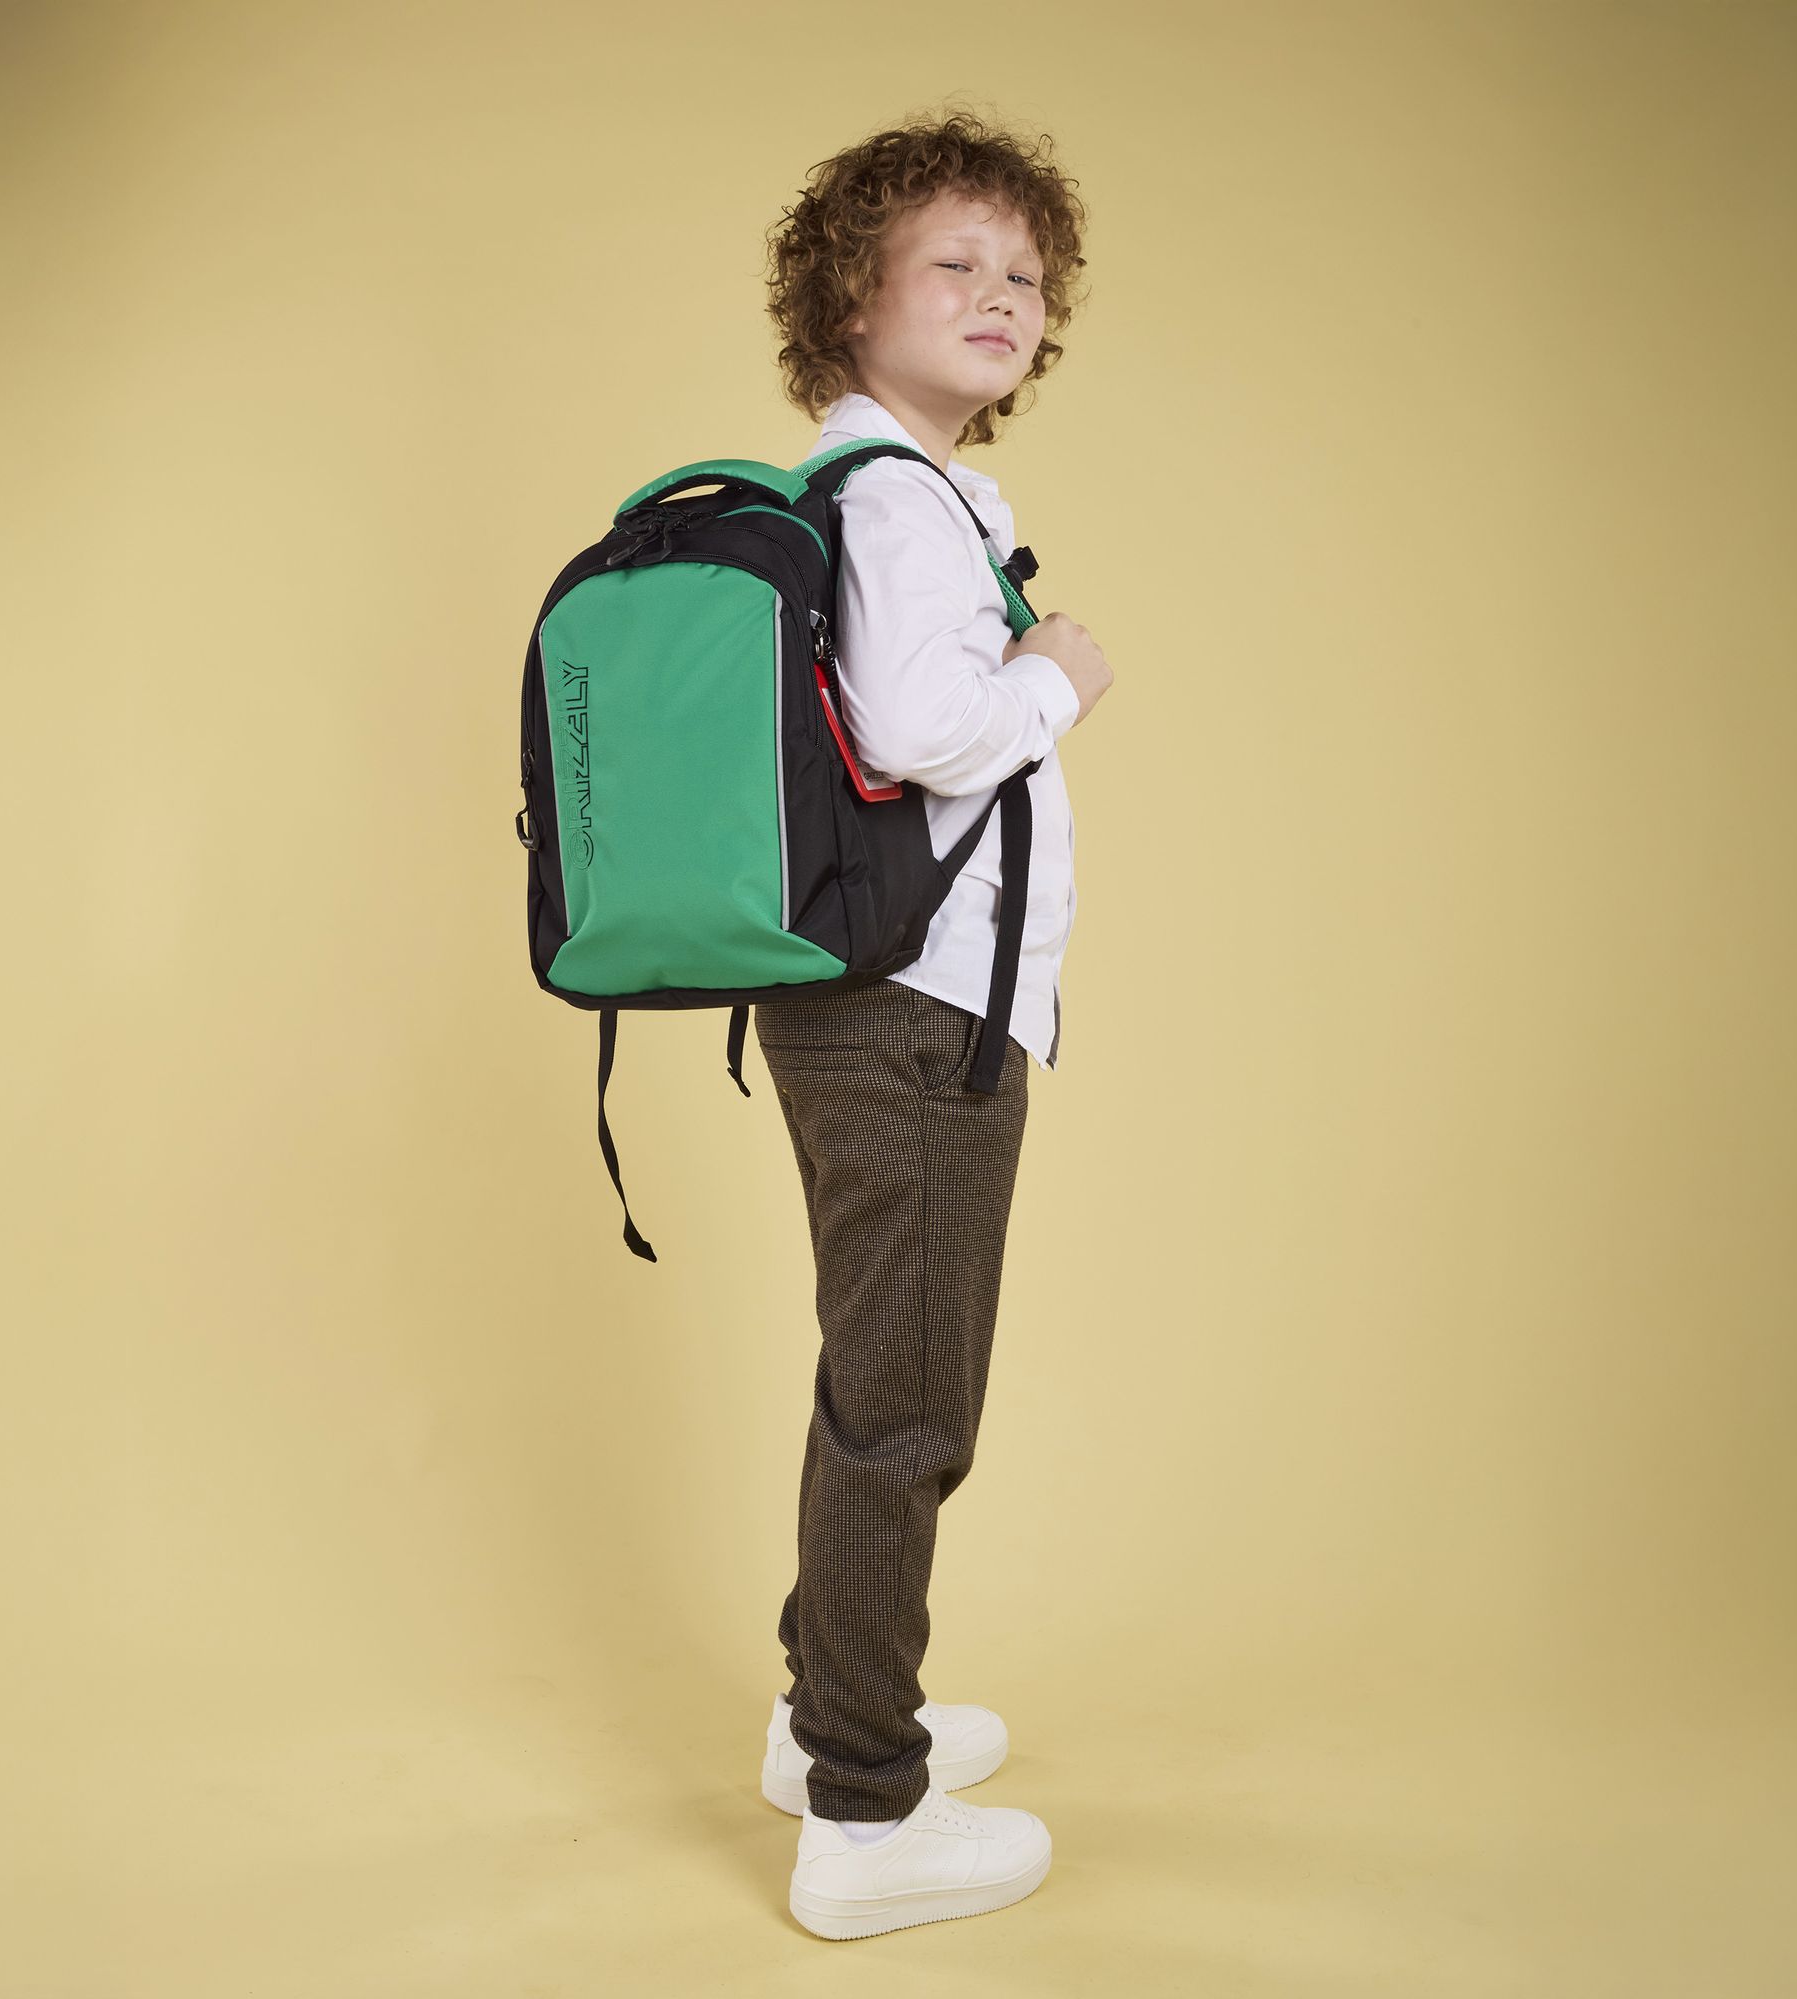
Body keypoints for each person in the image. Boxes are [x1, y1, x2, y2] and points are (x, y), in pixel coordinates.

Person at [754, 110, 1114, 1940]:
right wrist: (1053, 679)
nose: (1000, 295)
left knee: (873, 1380)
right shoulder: (895, 498)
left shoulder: (868, 489)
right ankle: (864, 1816)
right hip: (916, 1014)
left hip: (871, 1002)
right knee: (905, 1411)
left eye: (1023, 275)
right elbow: (917, 733)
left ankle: (824, 1713)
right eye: (952, 265)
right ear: (850, 300)